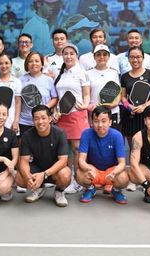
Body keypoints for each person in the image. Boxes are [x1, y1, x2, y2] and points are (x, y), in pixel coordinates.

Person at [15, 105, 71, 206]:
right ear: (33, 120)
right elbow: (23, 161)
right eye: (36, 119)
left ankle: (59, 191)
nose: (40, 122)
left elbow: (63, 161)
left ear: (50, 119)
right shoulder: (27, 136)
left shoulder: (60, 133)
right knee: (19, 177)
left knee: (65, 174)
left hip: (54, 170)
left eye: (43, 118)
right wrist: (28, 178)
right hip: (36, 169)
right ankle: (39, 188)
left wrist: (44, 174)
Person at [54, 43, 90, 194]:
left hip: (77, 114)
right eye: (65, 54)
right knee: (65, 149)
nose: (68, 56)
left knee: (76, 149)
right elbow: (58, 97)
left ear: (76, 55)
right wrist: (56, 111)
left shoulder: (82, 73)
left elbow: (86, 94)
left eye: (71, 53)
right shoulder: (61, 74)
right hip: (62, 116)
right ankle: (67, 179)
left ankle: (78, 179)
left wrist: (86, 105)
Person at [77, 106, 129, 204]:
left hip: (110, 172)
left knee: (124, 178)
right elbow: (81, 159)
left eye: (104, 121)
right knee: (79, 174)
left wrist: (114, 173)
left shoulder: (117, 135)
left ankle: (116, 190)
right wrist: (88, 169)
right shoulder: (86, 134)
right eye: (96, 121)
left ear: (110, 122)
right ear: (91, 122)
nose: (100, 125)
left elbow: (122, 163)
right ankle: (90, 188)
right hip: (94, 171)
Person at [120, 46, 150, 143]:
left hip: (148, 115)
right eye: (132, 57)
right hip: (130, 116)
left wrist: (144, 106)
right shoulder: (124, 77)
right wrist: (129, 107)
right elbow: (123, 98)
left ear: (143, 58)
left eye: (138, 57)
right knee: (133, 147)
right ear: (128, 58)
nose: (135, 60)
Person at [18, 51, 58, 136]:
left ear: (42, 64)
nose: (34, 63)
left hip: (44, 121)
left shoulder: (49, 80)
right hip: (25, 121)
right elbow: (18, 101)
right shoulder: (20, 80)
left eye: (37, 61)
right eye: (30, 61)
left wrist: (45, 107)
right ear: (27, 64)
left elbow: (55, 98)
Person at [87, 45, 121, 130]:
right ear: (94, 57)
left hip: (112, 112)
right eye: (98, 54)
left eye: (105, 54)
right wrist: (91, 107)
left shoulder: (114, 72)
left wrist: (113, 104)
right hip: (95, 113)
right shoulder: (87, 73)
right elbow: (86, 94)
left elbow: (118, 92)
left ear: (109, 57)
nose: (101, 57)